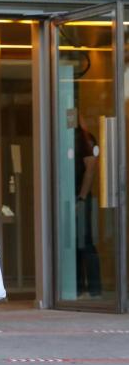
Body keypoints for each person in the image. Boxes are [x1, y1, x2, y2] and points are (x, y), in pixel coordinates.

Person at [74, 120, 102, 297]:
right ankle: (78, 289)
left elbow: (91, 167)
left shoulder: (84, 138)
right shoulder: (68, 137)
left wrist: (82, 198)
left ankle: (94, 289)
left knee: (86, 242)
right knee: (72, 244)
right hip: (69, 199)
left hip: (80, 199)